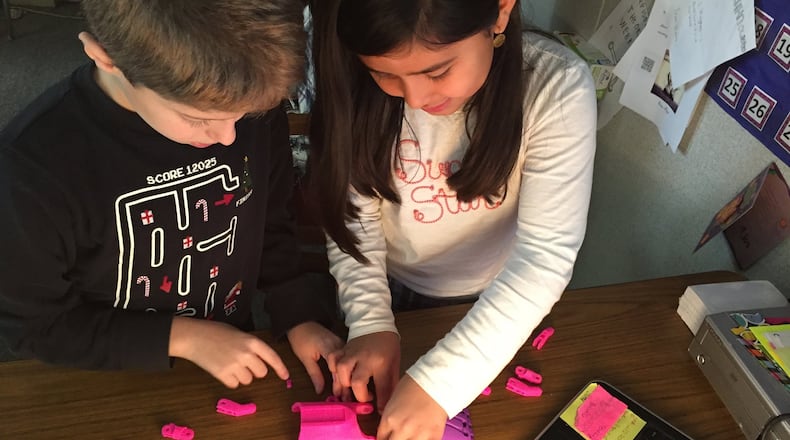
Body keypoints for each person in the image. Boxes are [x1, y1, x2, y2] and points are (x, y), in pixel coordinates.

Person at [0, 0, 343, 395]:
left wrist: (297, 312)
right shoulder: (30, 172)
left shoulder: (243, 97)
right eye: (198, 118)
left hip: (227, 357)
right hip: (103, 376)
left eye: (245, 116)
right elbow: (35, 326)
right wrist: (182, 337)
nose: (229, 138)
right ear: (106, 57)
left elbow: (269, 220)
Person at [308, 0, 597, 438]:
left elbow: (543, 257)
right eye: (384, 74)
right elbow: (354, 219)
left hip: (497, 304)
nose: (416, 99)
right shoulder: (349, 78)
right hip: (383, 284)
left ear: (500, 12)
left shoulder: (555, 86)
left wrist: (439, 387)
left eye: (438, 71)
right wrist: (369, 320)